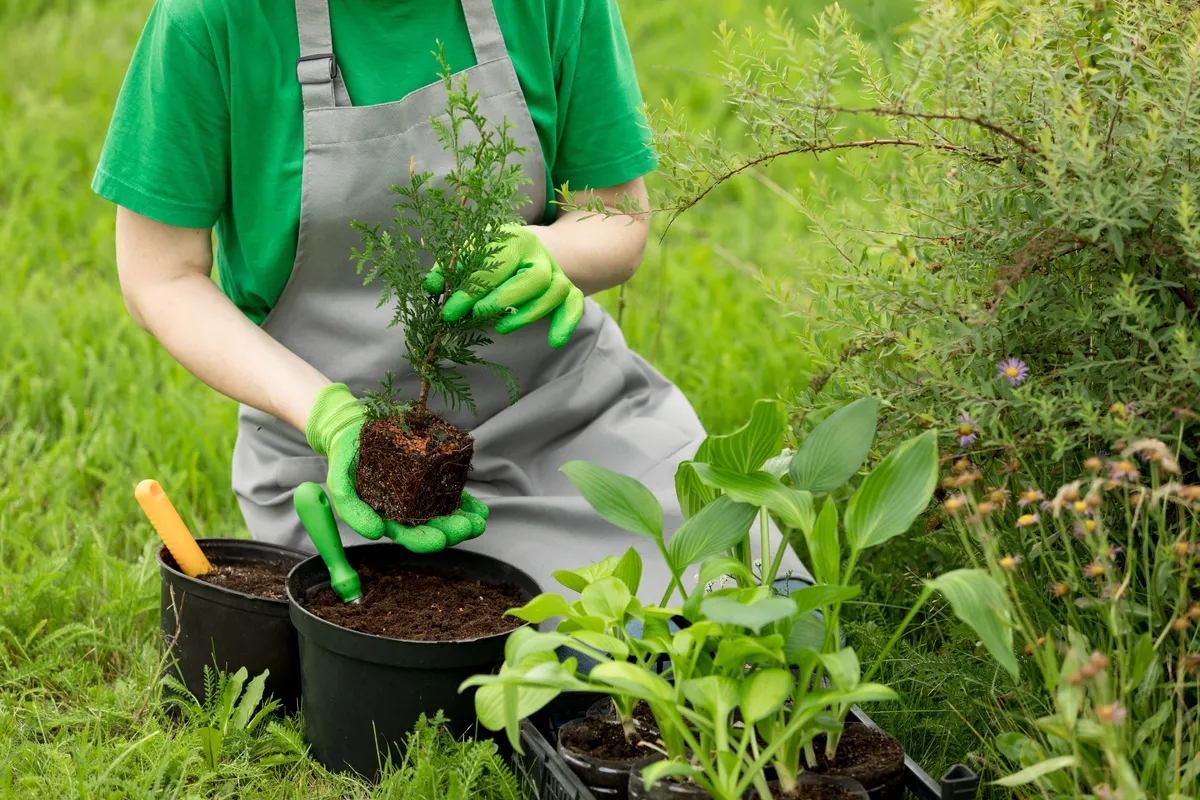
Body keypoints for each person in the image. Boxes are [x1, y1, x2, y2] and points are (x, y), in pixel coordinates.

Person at [94, 0, 809, 602]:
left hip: (572, 424)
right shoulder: (213, 19)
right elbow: (161, 278)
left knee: (757, 598)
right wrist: (329, 417)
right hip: (361, 478)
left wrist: (549, 252)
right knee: (515, 658)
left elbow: (616, 216)